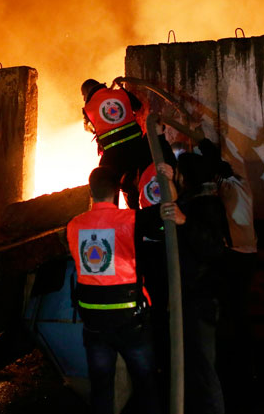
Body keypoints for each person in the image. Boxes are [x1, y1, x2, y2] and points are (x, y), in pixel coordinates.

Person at [66, 166, 163, 414]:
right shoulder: (131, 220)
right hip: (131, 320)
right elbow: (160, 219)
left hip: (93, 322)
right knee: (146, 385)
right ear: (117, 191)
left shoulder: (74, 225)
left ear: (90, 191)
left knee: (101, 388)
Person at [158, 152, 231, 414]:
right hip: (191, 296)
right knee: (193, 366)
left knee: (203, 367)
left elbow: (214, 247)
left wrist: (184, 222)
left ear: (186, 178)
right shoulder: (195, 201)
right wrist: (168, 179)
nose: (175, 175)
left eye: (178, 172)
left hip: (201, 298)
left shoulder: (206, 206)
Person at [196, 138, 258, 412]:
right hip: (245, 253)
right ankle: (243, 364)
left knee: (231, 311)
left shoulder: (227, 188)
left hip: (235, 255)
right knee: (238, 310)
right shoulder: (237, 183)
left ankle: (236, 367)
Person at [82, 79, 153, 207]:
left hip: (113, 154)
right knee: (131, 183)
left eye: (83, 96)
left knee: (104, 180)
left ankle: (110, 213)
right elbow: (138, 106)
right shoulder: (121, 93)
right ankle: (135, 214)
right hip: (137, 147)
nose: (83, 99)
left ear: (86, 93)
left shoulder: (88, 107)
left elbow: (89, 128)